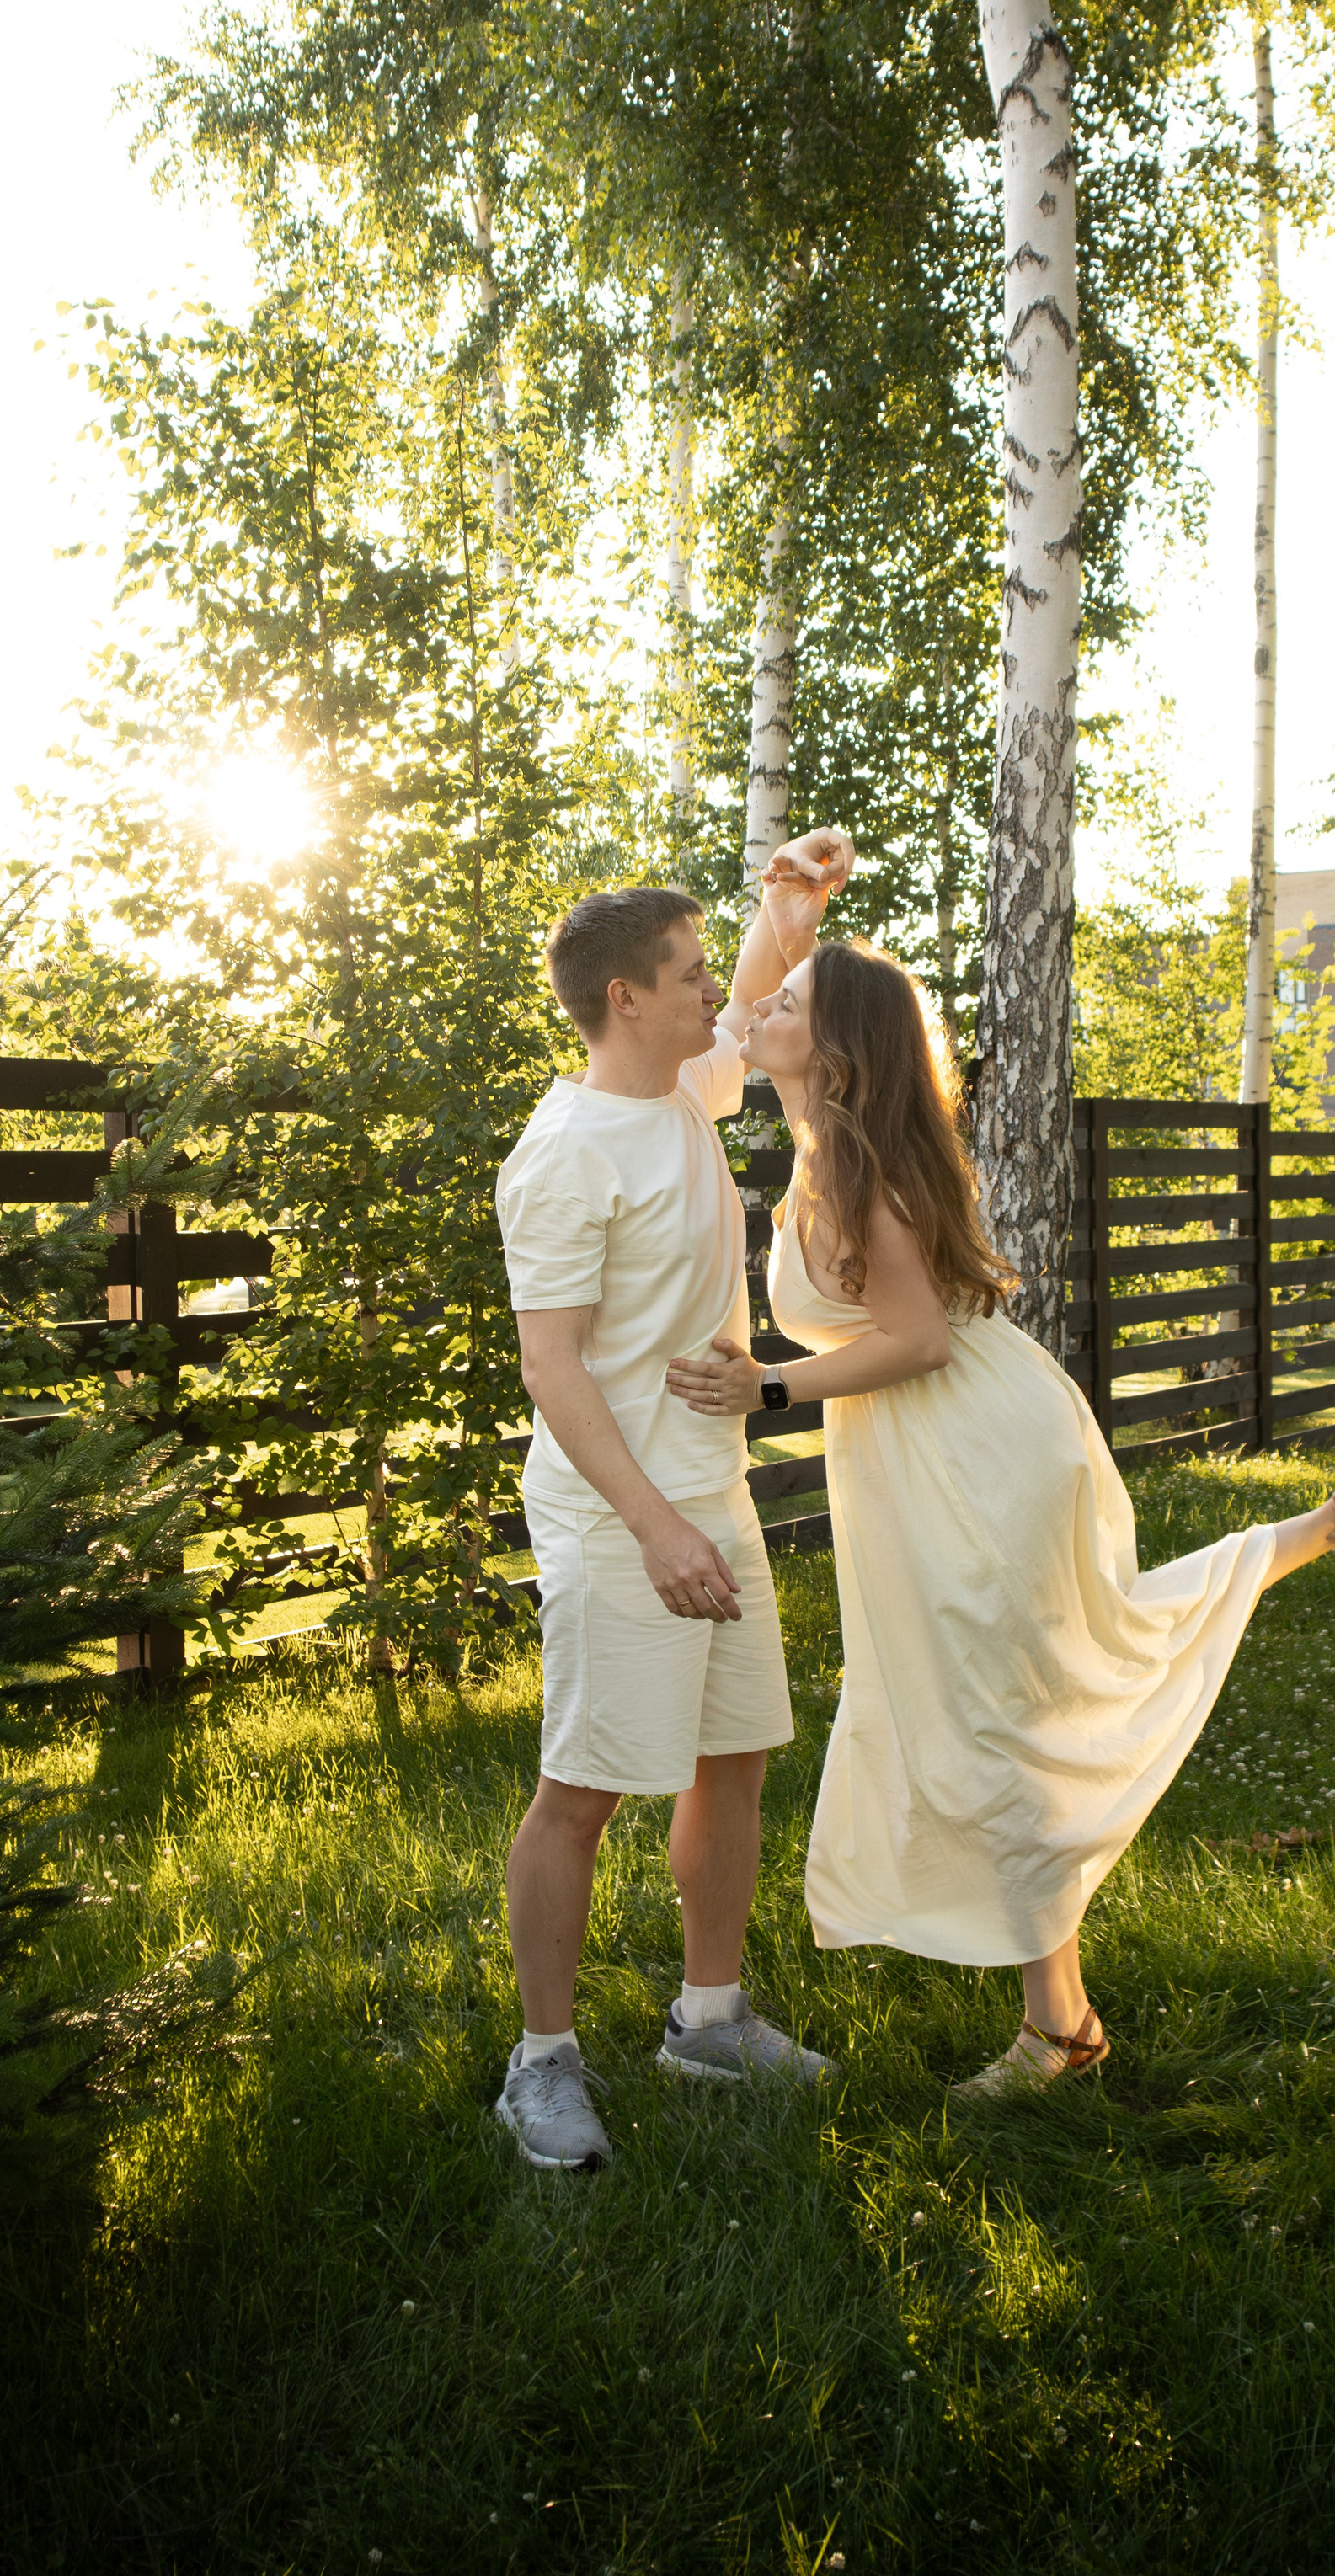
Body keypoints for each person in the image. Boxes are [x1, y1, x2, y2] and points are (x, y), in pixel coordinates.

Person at [665, 859, 1335, 2095]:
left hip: (971, 1443)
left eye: (787, 1003)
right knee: (1024, 1689)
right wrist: (783, 922)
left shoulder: (864, 1169)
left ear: (839, 1053)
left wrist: (764, 1387)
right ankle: (1326, 1525)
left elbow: (915, 1339)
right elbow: (737, 1018)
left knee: (1006, 1712)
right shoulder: (825, 1130)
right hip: (924, 1447)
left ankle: (1058, 2031)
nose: (753, 1012)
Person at [491, 853, 851, 2172]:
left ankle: (709, 2020)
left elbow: (751, 1001)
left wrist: (783, 913)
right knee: (580, 1793)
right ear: (628, 998)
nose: (718, 991)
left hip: (714, 1496)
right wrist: (654, 1527)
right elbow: (552, 1369)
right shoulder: (561, 1156)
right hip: (618, 1517)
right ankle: (541, 2065)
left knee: (735, 1758)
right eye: (692, 974)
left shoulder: (683, 1089)